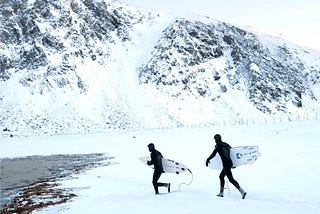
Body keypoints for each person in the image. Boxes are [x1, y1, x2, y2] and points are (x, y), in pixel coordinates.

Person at [205, 134, 247, 199]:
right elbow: (233, 153)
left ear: (216, 140)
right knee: (222, 176)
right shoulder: (226, 144)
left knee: (230, 179)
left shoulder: (218, 146)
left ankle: (242, 191)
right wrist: (234, 164)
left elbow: (213, 154)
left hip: (226, 165)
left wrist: (208, 159)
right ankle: (221, 193)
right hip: (229, 164)